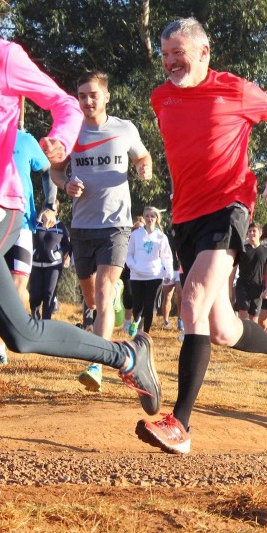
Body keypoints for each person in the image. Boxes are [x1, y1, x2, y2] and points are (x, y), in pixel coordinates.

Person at [0, 0, 159, 413]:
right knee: (22, 333)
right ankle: (126, 355)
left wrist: (62, 140)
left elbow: (63, 104)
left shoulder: (0, 56)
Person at [135, 17, 267, 455]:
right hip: (186, 220)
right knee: (222, 328)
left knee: (191, 298)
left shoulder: (235, 89)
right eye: (166, 55)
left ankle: (180, 424)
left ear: (203, 52)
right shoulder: (161, 99)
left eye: (179, 53)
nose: (172, 62)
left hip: (229, 208)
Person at [50, 70, 154, 392]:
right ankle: (111, 300)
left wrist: (143, 167)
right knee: (91, 297)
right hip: (82, 225)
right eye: (82, 96)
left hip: (116, 224)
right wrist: (66, 183)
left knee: (105, 294)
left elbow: (143, 156)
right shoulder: (72, 131)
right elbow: (55, 170)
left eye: (93, 95)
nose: (87, 101)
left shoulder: (124, 129)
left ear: (106, 97)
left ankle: (96, 364)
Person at [0, 127, 48, 365]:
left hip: (22, 224)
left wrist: (50, 204)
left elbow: (47, 171)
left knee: (16, 286)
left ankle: (20, 331)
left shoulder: (25, 139)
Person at [125, 206, 174, 333]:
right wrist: (132, 265)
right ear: (144, 217)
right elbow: (128, 254)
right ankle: (135, 319)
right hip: (137, 275)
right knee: (138, 305)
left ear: (156, 218)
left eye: (152, 216)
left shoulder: (161, 237)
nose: (149, 218)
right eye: (147, 216)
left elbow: (167, 256)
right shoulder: (136, 235)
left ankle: (145, 333)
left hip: (155, 275)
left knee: (149, 305)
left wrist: (169, 273)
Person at [29, 207, 70, 320]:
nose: (50, 212)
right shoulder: (35, 223)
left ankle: (46, 323)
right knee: (34, 295)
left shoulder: (60, 226)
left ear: (57, 212)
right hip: (35, 265)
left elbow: (67, 244)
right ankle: (35, 318)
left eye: (53, 210)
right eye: (47, 209)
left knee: (49, 294)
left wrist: (59, 254)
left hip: (53, 266)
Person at [234, 222, 267, 321]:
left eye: (254, 231)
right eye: (249, 231)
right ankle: (242, 337)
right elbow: (233, 269)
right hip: (242, 286)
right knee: (243, 316)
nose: (251, 233)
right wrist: (229, 289)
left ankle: (252, 336)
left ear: (260, 233)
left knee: (254, 320)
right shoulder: (243, 249)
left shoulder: (266, 252)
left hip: (257, 288)